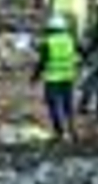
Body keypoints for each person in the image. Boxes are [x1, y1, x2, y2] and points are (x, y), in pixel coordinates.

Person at [33, 12, 79, 142]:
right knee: (68, 106)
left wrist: (35, 76)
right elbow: (79, 53)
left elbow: (42, 62)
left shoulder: (48, 42)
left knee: (54, 106)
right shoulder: (70, 40)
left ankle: (60, 132)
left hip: (53, 79)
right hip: (68, 77)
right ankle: (72, 130)